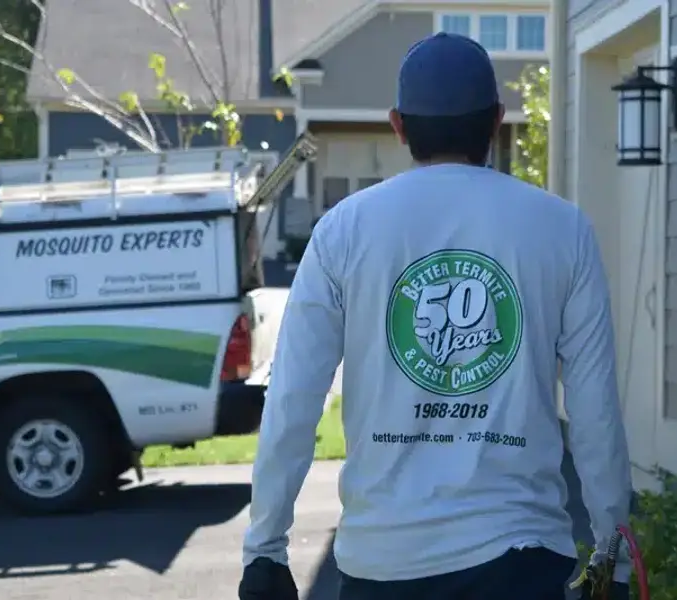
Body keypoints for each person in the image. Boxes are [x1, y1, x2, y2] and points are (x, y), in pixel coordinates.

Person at [238, 32, 633, 600]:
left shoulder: (343, 232)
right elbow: (595, 410)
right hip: (522, 562)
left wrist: (266, 549)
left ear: (398, 126)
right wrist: (612, 552)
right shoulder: (561, 230)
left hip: (382, 563)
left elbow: (293, 401)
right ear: (496, 122)